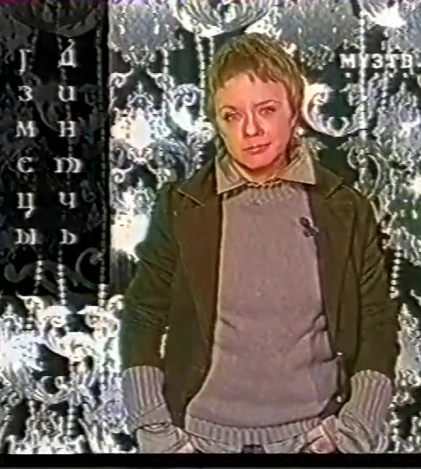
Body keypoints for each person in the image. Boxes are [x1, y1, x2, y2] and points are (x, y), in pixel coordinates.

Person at [119, 33, 399, 454]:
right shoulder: (183, 207)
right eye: (231, 115)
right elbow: (142, 314)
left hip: (314, 441)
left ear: (294, 111)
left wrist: (354, 428)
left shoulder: (343, 207)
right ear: (217, 123)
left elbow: (377, 320)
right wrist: (154, 429)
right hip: (201, 440)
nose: (250, 130)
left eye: (266, 110)